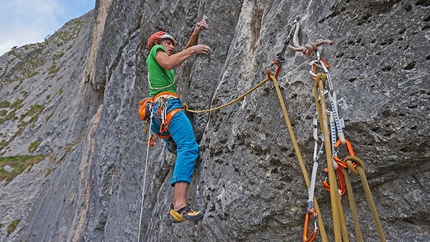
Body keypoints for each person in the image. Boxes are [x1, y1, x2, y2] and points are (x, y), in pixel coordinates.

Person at [145, 18, 210, 223]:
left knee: (183, 147)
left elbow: (181, 55)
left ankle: (174, 148)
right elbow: (172, 60)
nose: (172, 46)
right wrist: (193, 50)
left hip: (160, 115)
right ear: (158, 42)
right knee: (189, 147)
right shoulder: (156, 52)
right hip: (168, 106)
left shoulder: (163, 65)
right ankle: (179, 206)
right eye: (169, 42)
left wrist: (195, 33)